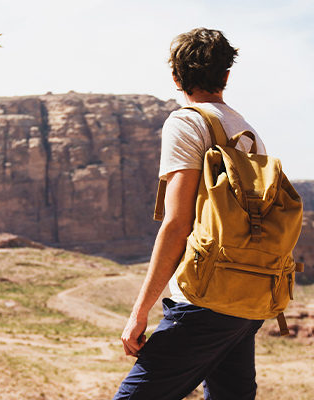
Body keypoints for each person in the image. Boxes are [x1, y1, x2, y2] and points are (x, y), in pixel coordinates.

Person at [114, 27, 269, 400]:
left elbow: (177, 223)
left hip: (204, 299)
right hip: (249, 300)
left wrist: (140, 311)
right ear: (226, 76)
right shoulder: (248, 133)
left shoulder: (186, 122)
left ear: (175, 77)